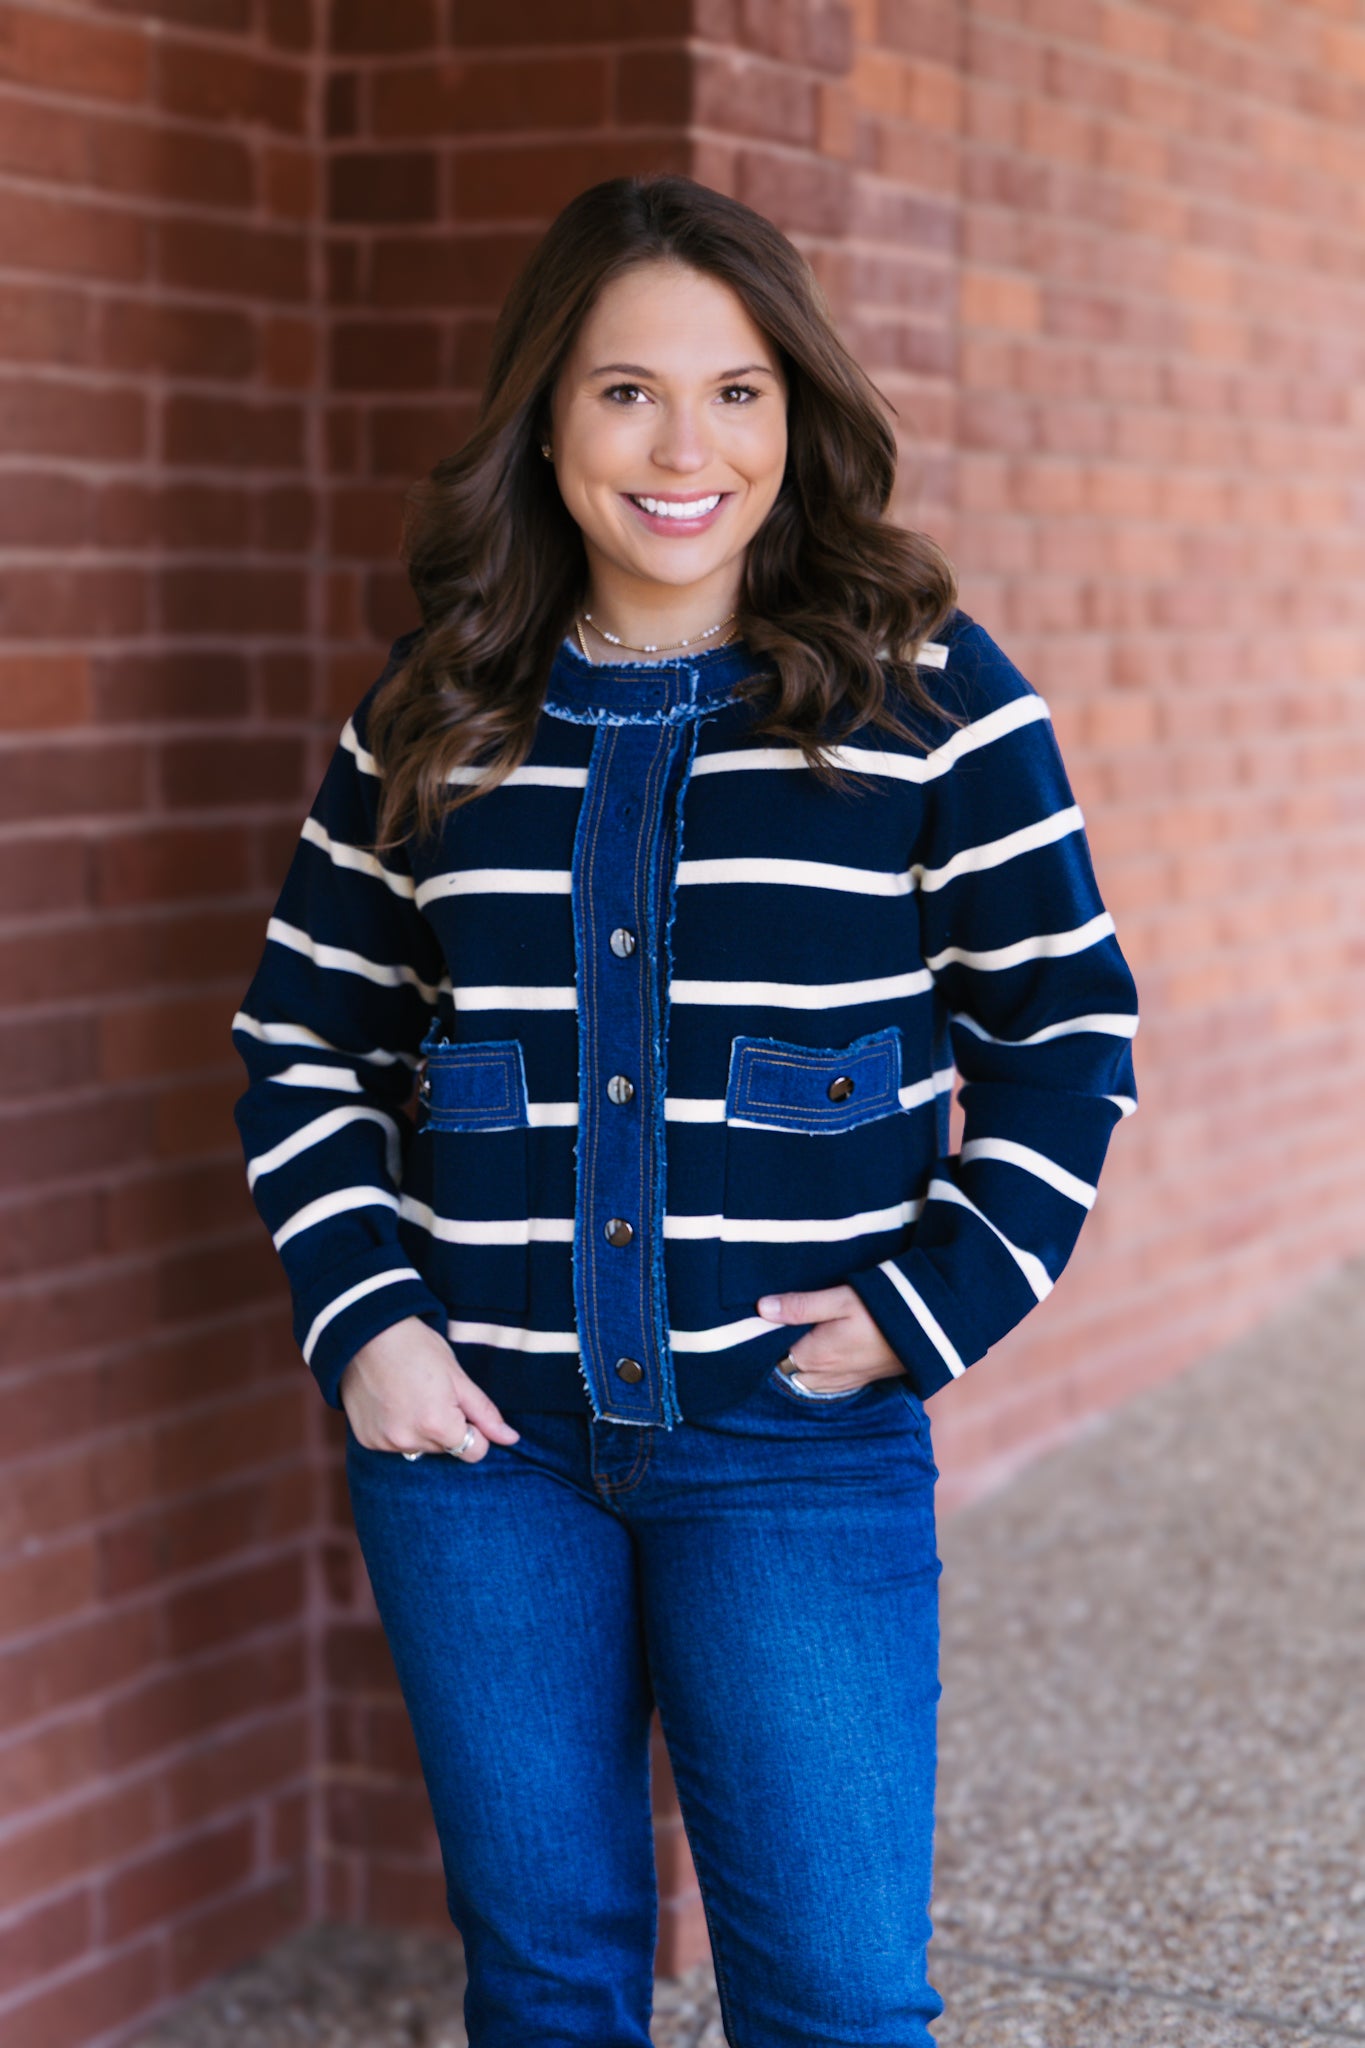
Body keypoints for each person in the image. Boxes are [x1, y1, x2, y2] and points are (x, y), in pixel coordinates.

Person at [231, 173, 1138, 2047]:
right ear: (546, 419)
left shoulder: (928, 698)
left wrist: (922, 1311)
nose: (682, 447)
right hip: (478, 1459)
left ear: (793, 420)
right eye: (626, 390)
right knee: (548, 1988)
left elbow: (1067, 1032)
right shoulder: (435, 712)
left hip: (791, 1448)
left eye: (736, 392)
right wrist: (368, 1328)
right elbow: (303, 1041)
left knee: (828, 1995)